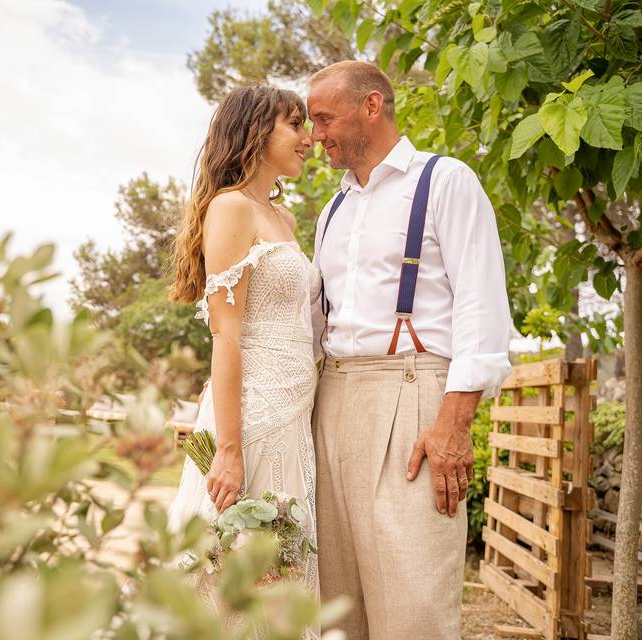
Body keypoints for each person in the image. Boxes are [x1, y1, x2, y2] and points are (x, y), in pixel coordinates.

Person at [306, 60, 513, 639]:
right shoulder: (332, 211)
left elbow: (482, 305)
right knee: (337, 601)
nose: (316, 133)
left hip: (413, 393)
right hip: (333, 397)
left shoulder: (445, 181)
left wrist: (454, 422)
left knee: (414, 594)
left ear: (372, 106)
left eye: (324, 117)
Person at [165, 83, 320, 635]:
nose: (308, 139)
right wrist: (226, 452)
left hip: (292, 420)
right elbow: (225, 336)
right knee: (235, 567)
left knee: (282, 568)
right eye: (295, 125)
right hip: (248, 422)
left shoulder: (284, 219)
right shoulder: (231, 208)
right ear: (257, 132)